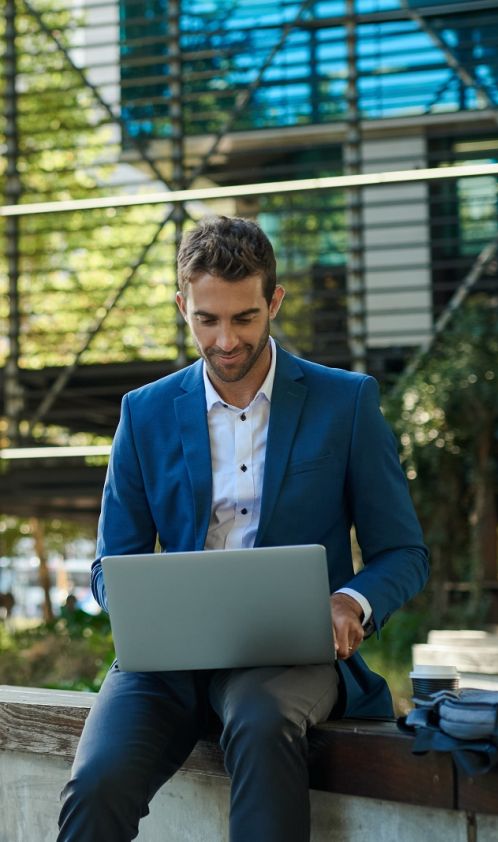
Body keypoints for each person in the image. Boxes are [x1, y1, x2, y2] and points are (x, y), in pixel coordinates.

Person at [57, 215, 428, 842]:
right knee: (96, 783)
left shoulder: (346, 402)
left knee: (259, 723)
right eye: (206, 319)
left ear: (274, 301)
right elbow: (108, 564)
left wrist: (349, 601)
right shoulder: (142, 413)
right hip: (166, 660)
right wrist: (140, 607)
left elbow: (403, 553)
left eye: (244, 318)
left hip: (287, 656)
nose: (226, 340)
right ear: (183, 306)